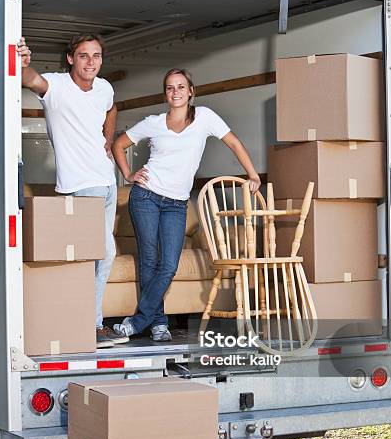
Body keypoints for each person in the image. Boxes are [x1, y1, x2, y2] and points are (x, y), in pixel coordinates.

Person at [112, 68, 261, 341]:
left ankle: (137, 321)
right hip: (145, 196)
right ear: (165, 93)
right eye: (170, 88)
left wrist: (252, 174)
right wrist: (128, 174)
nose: (176, 92)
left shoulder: (205, 117)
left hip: (176, 203)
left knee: (168, 264)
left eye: (181, 87)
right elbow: (118, 144)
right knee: (150, 261)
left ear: (191, 91)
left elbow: (234, 143)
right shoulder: (153, 122)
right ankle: (158, 324)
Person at [17, 34, 128, 348]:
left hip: (107, 183)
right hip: (80, 187)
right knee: (100, 256)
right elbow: (31, 79)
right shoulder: (57, 86)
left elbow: (112, 107)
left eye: (96, 56)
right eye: (83, 56)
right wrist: (23, 65)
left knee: (101, 256)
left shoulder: (104, 87)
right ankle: (90, 325)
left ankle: (88, 323)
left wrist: (107, 139)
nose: (91, 62)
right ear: (70, 59)